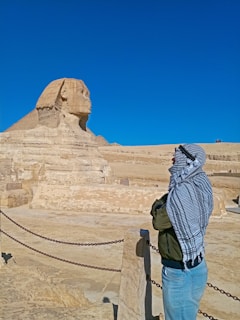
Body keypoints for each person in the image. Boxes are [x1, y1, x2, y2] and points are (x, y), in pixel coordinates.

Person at [150, 143, 213, 320]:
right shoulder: (201, 183)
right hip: (198, 264)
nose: (172, 160)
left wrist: (159, 203)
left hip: (179, 271)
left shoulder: (180, 193)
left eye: (176, 156)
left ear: (186, 160)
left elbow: (159, 221)